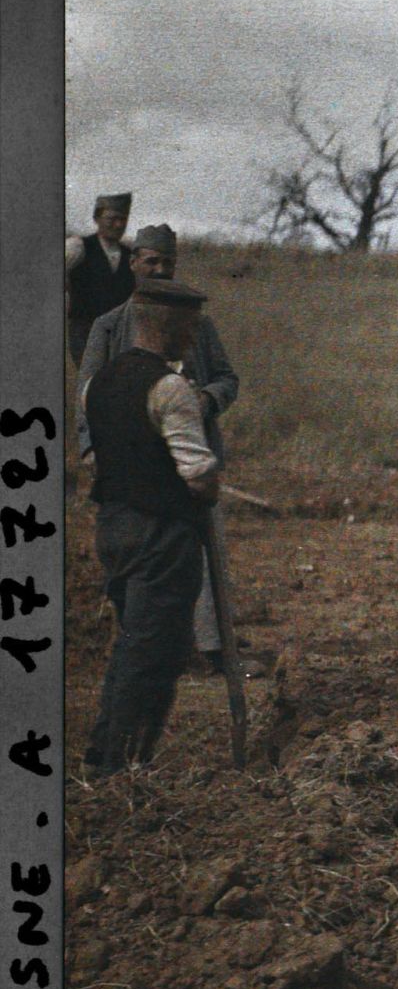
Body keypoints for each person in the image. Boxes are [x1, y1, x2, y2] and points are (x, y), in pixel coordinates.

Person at [77, 224, 244, 674]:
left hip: (192, 455)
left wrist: (204, 400)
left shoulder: (198, 326)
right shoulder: (109, 327)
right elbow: (88, 394)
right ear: (133, 264)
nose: (160, 269)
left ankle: (213, 650)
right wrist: (91, 450)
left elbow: (228, 379)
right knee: (142, 561)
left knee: (205, 554)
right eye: (151, 261)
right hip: (134, 468)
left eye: (167, 262)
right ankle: (148, 653)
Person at [79, 277, 221, 777]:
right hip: (161, 535)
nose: (194, 338)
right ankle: (123, 765)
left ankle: (106, 750)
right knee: (156, 653)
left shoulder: (97, 385)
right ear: (170, 325)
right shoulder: (171, 388)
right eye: (190, 327)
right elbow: (198, 473)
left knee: (133, 642)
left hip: (112, 529)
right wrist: (210, 489)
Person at [64, 192, 134, 364]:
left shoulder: (130, 256)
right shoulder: (77, 247)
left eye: (123, 219)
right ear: (97, 218)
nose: (118, 225)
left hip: (118, 336)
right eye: (112, 219)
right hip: (85, 333)